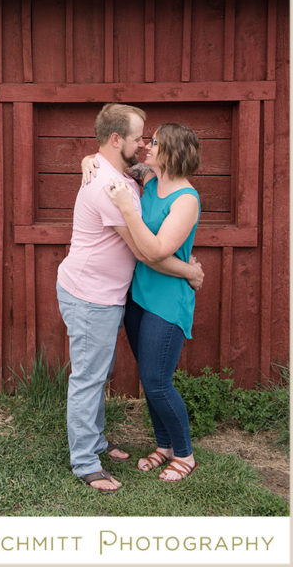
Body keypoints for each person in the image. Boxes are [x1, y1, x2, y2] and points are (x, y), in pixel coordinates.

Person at [57, 104, 203, 493]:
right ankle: (86, 462)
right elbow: (145, 252)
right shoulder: (118, 185)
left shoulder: (135, 177)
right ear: (116, 139)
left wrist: (91, 158)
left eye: (150, 141)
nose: (144, 147)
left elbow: (152, 244)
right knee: (91, 378)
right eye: (140, 138)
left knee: (115, 376)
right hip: (93, 295)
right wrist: (191, 270)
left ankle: (132, 445)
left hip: (123, 296)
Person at [102, 122, 202, 482]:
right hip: (138, 296)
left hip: (167, 302)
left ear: (171, 150)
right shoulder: (150, 179)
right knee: (149, 377)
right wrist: (87, 160)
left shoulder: (186, 200)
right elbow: (111, 162)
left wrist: (125, 209)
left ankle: (185, 455)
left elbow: (157, 251)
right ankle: (164, 446)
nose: (147, 145)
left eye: (155, 141)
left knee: (158, 381)